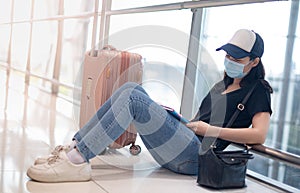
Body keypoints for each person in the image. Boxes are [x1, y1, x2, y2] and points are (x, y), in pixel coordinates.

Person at [27, 29, 273, 183]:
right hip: (187, 142)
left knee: (133, 95)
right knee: (127, 92)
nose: (230, 61)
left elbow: (259, 134)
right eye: (228, 56)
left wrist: (208, 129)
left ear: (254, 61)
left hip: (199, 157)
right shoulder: (222, 85)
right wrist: (181, 121)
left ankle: (76, 160)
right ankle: (75, 147)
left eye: (237, 58)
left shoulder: (258, 90)